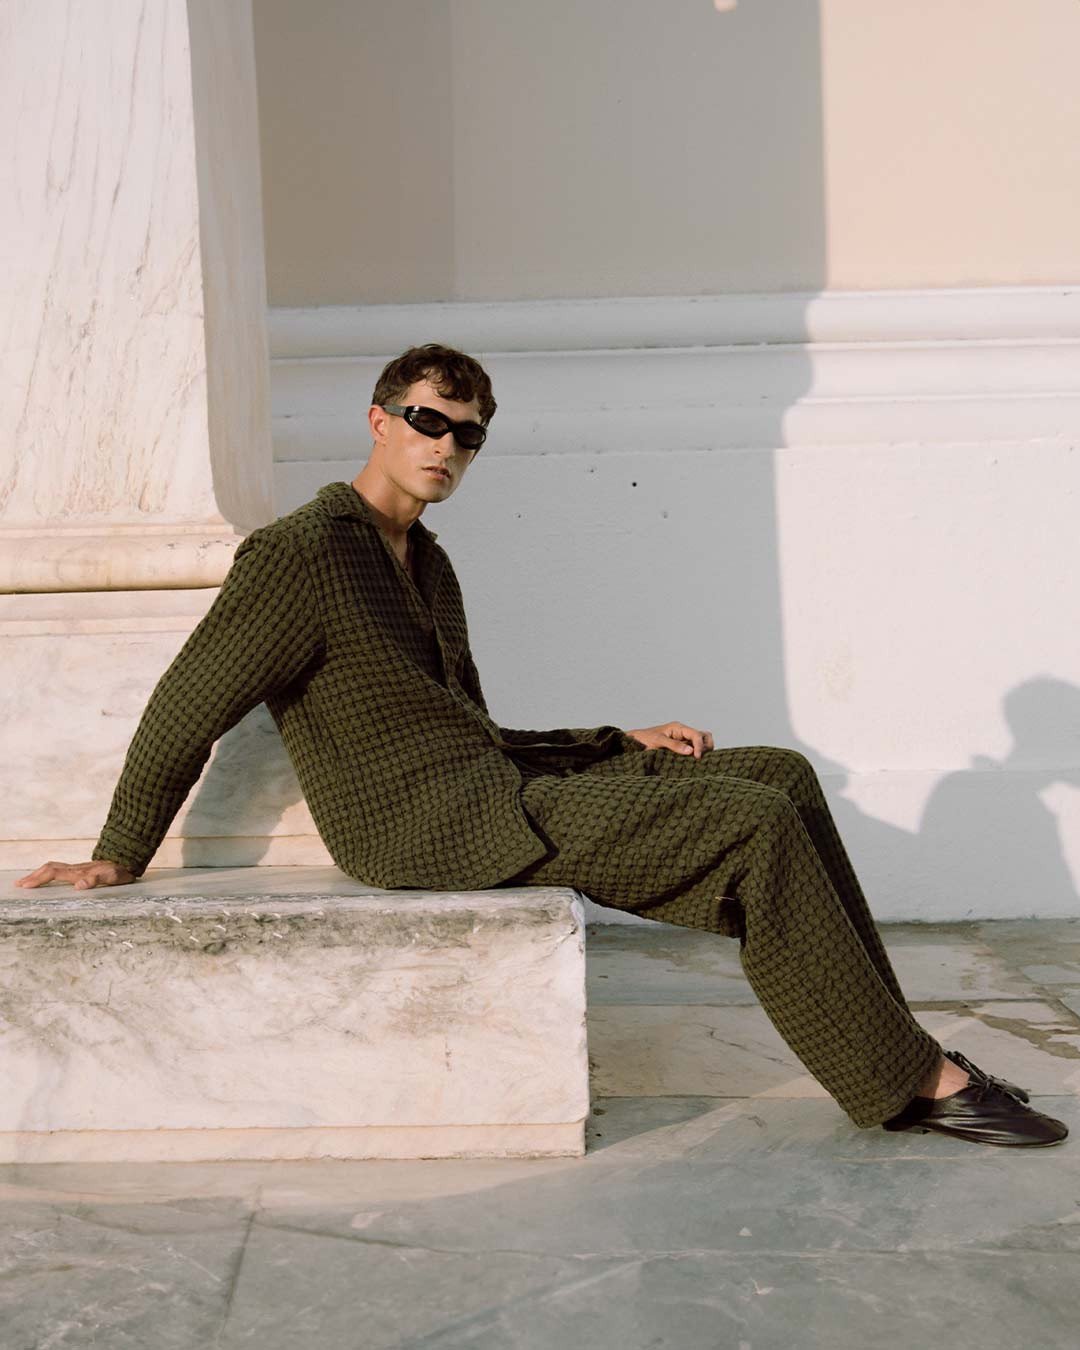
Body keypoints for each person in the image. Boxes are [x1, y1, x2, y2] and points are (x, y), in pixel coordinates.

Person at [16, 344, 1067, 1149]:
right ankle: (910, 1086)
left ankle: (900, 1041)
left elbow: (467, 729)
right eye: (428, 422)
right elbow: (184, 703)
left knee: (775, 774)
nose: (445, 448)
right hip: (421, 829)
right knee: (748, 827)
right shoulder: (300, 556)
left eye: (467, 435)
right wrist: (121, 850)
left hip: (490, 789)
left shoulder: (427, 566)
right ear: (379, 420)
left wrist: (618, 740)